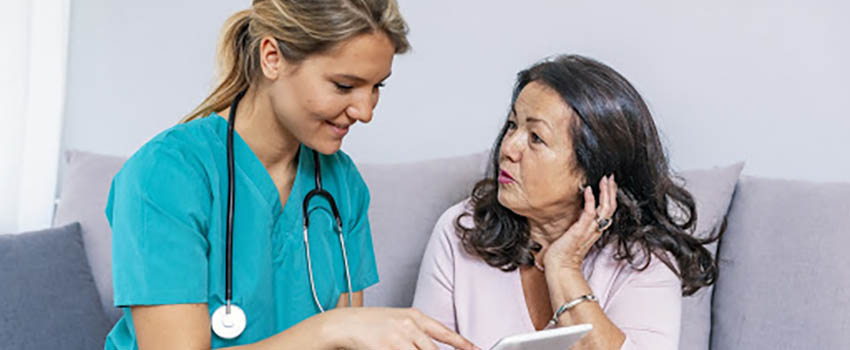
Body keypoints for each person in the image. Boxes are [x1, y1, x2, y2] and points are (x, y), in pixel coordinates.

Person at [105, 1, 477, 349]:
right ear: (272, 58)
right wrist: (332, 327)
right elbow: (343, 331)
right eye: (344, 86)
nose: (365, 111)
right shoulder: (165, 175)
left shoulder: (341, 184)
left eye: (376, 86)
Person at [412, 55, 718, 350]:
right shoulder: (461, 230)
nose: (508, 147)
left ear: (590, 169)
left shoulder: (643, 260)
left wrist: (564, 268)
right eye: (512, 125)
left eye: (535, 138)